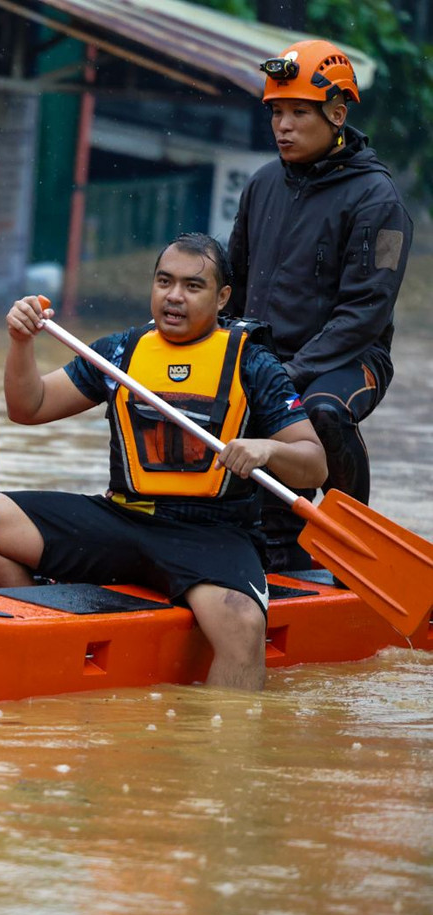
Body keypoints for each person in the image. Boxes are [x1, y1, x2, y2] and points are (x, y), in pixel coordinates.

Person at [0, 234, 328, 691]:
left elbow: (314, 464)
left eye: (192, 286)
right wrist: (20, 342)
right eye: (165, 282)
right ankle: (53, 644)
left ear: (222, 297)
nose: (174, 296)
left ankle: (222, 735)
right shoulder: (120, 351)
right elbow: (30, 407)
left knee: (243, 626)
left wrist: (269, 449)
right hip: (123, 519)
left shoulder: (254, 363)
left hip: (211, 534)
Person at [228, 39, 412, 570]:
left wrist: (288, 374)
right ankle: (270, 546)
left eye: (299, 113)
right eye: (276, 113)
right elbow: (231, 284)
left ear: (337, 114)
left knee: (321, 413)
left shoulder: (379, 200)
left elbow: (367, 311)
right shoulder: (262, 183)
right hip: (267, 354)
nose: (283, 127)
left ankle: (351, 544)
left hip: (350, 357)